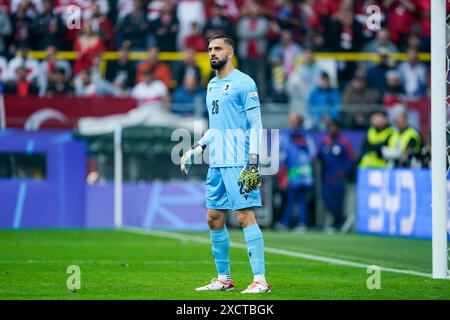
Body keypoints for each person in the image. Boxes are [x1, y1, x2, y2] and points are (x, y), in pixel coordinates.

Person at [180, 33, 271, 294]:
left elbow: (256, 124)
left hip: (239, 161)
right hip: (217, 162)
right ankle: (224, 278)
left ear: (230, 53)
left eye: (218, 49)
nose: (212, 53)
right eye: (210, 49)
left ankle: (260, 281)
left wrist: (253, 161)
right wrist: (197, 148)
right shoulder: (211, 85)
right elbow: (215, 128)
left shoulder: (244, 83)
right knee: (214, 218)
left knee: (244, 216)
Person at [276, 113, 315, 232]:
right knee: (293, 198)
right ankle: (296, 222)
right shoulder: (305, 136)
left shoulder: (289, 136)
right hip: (301, 173)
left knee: (296, 198)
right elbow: (312, 153)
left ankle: (292, 222)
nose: (290, 122)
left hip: (296, 173)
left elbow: (282, 154)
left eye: (293, 120)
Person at [317, 119, 354, 231]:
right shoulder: (325, 142)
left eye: (334, 127)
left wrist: (344, 170)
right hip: (326, 177)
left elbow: (350, 159)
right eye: (330, 127)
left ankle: (338, 222)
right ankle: (341, 220)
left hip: (338, 178)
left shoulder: (344, 142)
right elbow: (319, 156)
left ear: (338, 128)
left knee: (338, 202)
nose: (332, 129)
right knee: (327, 199)